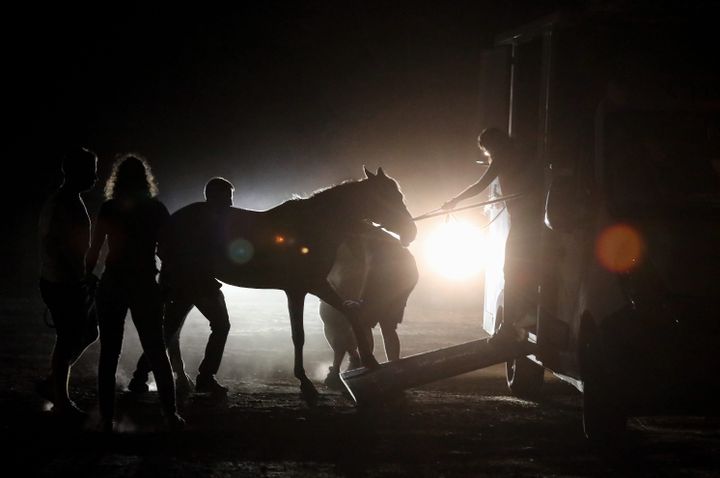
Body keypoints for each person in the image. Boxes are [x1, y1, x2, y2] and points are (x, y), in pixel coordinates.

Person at [85, 154, 185, 431]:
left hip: (113, 280)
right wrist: (168, 283)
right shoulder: (156, 209)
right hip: (144, 282)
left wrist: (86, 276)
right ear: (145, 179)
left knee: (109, 353)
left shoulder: (108, 208)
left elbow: (94, 250)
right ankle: (170, 414)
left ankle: (106, 419)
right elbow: (169, 251)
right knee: (156, 350)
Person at [128, 177, 233, 397]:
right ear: (216, 196)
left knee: (168, 331)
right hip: (196, 282)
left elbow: (162, 246)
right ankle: (205, 378)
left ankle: (139, 376)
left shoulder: (190, 214)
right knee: (220, 325)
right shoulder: (207, 219)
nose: (231, 204)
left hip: (181, 282)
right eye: (228, 198)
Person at [442, 127, 543, 342]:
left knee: (513, 268)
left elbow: (480, 186)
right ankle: (523, 314)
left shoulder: (503, 157)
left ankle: (514, 322)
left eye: (488, 148)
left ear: (494, 145)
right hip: (529, 218)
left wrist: (455, 201)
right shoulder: (521, 153)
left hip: (524, 221)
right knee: (521, 267)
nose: (489, 153)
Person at [37, 147, 100, 421]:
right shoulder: (64, 202)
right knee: (69, 338)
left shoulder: (67, 199)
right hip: (63, 281)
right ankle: (60, 400)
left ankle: (54, 384)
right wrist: (80, 274)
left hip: (65, 279)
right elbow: (57, 244)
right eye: (93, 172)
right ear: (79, 172)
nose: (96, 178)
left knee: (85, 333)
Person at [321, 222, 418, 388]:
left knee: (369, 323)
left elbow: (371, 272)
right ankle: (387, 367)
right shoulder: (368, 237)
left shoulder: (368, 242)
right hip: (403, 277)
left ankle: (372, 367)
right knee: (382, 326)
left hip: (397, 280)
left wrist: (362, 300)